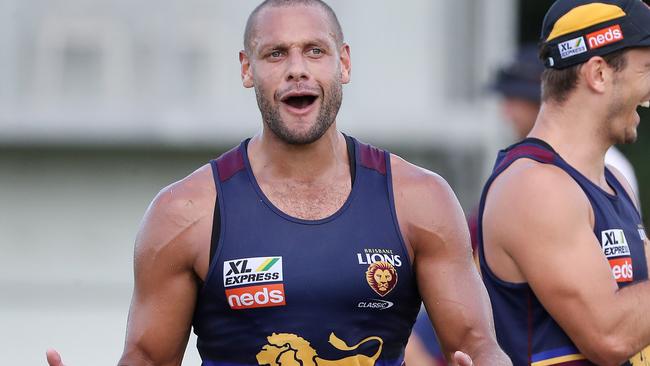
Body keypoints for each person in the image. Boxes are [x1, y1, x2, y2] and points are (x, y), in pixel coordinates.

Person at [45, 1, 511, 365]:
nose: (297, 69)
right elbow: (146, 359)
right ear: (247, 70)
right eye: (275, 53)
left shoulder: (419, 199)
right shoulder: (185, 211)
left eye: (314, 50)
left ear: (343, 63)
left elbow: (477, 345)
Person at [478, 0, 650, 364]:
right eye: (647, 69)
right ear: (599, 73)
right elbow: (610, 336)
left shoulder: (613, 180)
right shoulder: (535, 187)